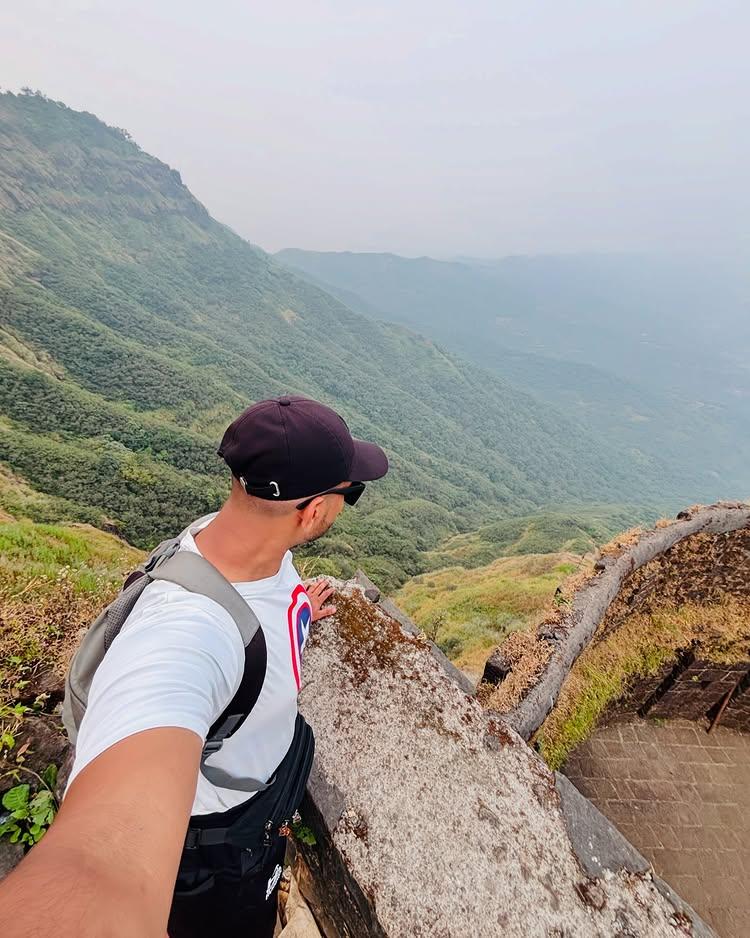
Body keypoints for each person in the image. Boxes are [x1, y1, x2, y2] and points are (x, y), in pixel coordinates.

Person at [0, 395, 388, 938]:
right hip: (211, 854)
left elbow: (255, 601)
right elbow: (102, 861)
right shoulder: (184, 638)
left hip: (253, 802)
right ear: (314, 511)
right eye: (352, 494)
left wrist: (297, 608)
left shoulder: (225, 536)